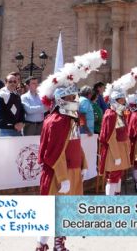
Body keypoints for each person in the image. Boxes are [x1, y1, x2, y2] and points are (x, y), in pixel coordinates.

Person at [37, 84, 87, 251]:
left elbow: (75, 143)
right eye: (70, 98)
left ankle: (59, 242)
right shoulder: (57, 121)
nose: (74, 100)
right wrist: (63, 177)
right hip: (58, 174)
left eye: (74, 97)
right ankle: (42, 243)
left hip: (72, 170)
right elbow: (54, 154)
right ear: (60, 100)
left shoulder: (70, 118)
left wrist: (83, 163)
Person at [99, 89, 132, 196]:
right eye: (121, 101)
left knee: (118, 175)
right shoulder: (111, 115)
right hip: (114, 152)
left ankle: (117, 196)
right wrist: (117, 156)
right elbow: (110, 138)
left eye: (123, 100)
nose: (123, 103)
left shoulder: (119, 114)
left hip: (121, 149)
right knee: (112, 177)